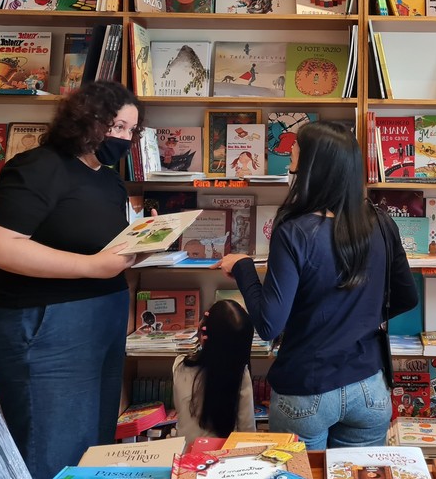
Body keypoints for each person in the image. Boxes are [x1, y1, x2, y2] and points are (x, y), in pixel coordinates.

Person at [0, 81, 142, 479]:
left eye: (131, 131)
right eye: (117, 126)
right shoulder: (39, 166)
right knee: (53, 453)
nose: (124, 138)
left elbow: (104, 248)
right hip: (48, 323)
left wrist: (140, 246)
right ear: (87, 119)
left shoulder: (107, 179)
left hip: (102, 321)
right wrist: (94, 267)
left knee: (92, 449)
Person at [220, 120, 418, 449]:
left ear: (314, 162)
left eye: (297, 146)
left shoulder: (295, 231)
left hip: (307, 390)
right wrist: (364, 319)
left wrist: (242, 267)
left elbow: (269, 324)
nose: (291, 150)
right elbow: (406, 297)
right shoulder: (382, 222)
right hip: (369, 386)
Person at [173, 299, 257, 445]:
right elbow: (247, 429)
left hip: (186, 453)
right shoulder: (241, 374)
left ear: (204, 333)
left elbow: (181, 411)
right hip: (224, 458)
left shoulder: (179, 365)